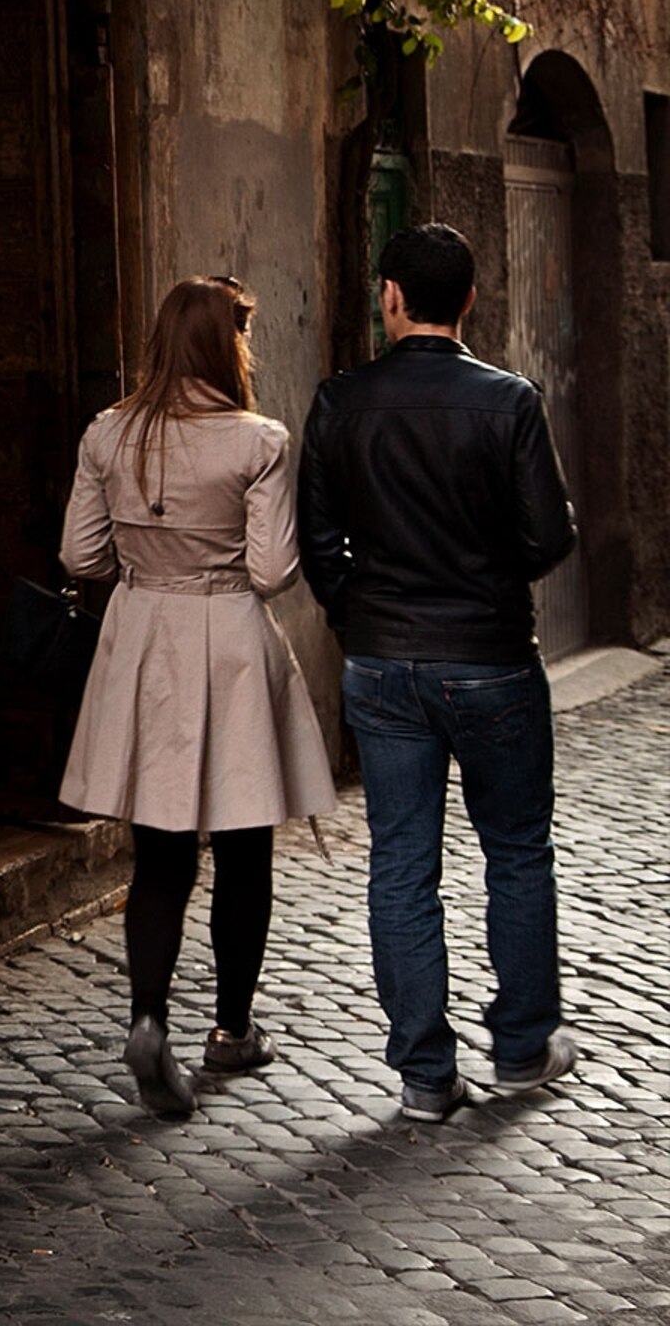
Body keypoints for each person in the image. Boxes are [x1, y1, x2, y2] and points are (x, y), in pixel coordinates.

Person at [301, 222, 580, 1123]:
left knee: (402, 867)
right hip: (492, 659)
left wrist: (360, 614)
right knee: (516, 851)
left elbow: (317, 541)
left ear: (390, 297)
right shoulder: (510, 402)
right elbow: (548, 537)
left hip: (383, 665)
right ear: (468, 300)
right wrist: (484, 585)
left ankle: (425, 1076)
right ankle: (523, 1048)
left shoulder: (340, 402)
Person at [57, 276, 334, 1117]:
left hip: (144, 640)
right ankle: (232, 1029)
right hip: (229, 640)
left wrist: (148, 562)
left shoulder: (108, 434)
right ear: (227, 344)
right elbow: (273, 571)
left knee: (162, 854)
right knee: (245, 849)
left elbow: (80, 558)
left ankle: (148, 1020)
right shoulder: (258, 441)